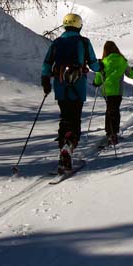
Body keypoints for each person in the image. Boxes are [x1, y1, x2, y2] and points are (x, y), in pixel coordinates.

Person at [41, 13, 101, 173]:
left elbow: (47, 64)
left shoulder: (57, 42)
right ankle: (69, 145)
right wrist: (100, 67)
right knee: (75, 118)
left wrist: (45, 82)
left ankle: (63, 149)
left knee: (64, 117)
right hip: (77, 86)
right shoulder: (83, 42)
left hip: (60, 85)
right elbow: (94, 65)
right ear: (79, 25)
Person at [92, 41, 133, 146]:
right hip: (117, 91)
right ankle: (113, 133)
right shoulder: (122, 60)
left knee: (109, 110)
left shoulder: (103, 62)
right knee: (115, 111)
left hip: (106, 91)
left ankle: (109, 133)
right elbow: (129, 73)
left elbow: (99, 77)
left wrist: (96, 83)